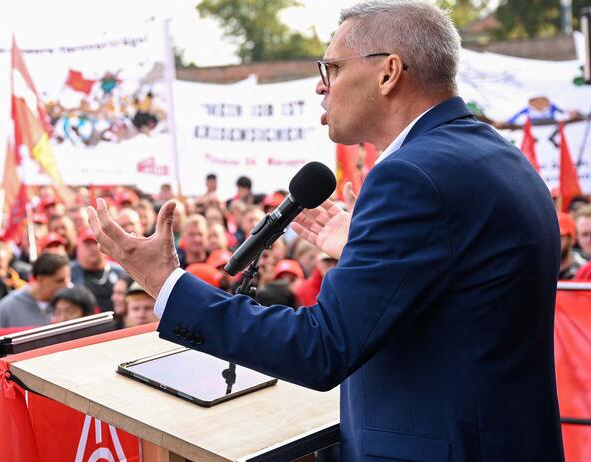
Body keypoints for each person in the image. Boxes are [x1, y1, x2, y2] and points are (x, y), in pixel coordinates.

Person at [87, 2, 563, 459]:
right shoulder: (495, 154)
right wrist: (364, 251)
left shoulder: (412, 177)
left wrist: (166, 284)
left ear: (388, 72)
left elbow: (320, 349)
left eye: (331, 69)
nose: (321, 87)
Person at [0, 253, 71, 328]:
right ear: (41, 279)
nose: (66, 285)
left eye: (67, 280)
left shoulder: (71, 303)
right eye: (60, 281)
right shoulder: (8, 306)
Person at [70, 229, 127, 312]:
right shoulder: (70, 272)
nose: (93, 248)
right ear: (78, 249)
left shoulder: (121, 271)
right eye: (88, 244)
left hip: (118, 321)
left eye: (96, 243)